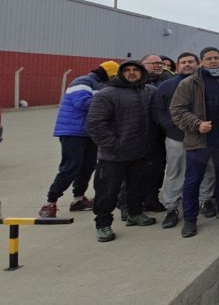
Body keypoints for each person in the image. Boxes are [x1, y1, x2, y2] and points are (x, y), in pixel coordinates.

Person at [170, 47, 219, 238]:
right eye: (208, 58)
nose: (213, 61)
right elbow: (177, 110)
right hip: (199, 139)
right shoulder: (190, 83)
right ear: (201, 62)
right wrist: (196, 124)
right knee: (193, 180)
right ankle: (190, 218)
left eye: (216, 57)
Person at [86, 61, 158, 242]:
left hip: (139, 152)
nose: (132, 73)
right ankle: (103, 224)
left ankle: (135, 213)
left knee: (137, 187)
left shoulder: (149, 91)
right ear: (120, 73)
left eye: (136, 70)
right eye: (128, 70)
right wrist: (113, 144)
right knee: (107, 191)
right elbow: (95, 124)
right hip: (113, 155)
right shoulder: (107, 94)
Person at [39, 60, 119, 218]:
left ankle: (78, 199)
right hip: (73, 131)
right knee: (71, 167)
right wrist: (109, 105)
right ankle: (50, 202)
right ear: (108, 74)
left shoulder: (101, 85)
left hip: (90, 132)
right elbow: (82, 103)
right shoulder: (82, 81)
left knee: (88, 166)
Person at [152, 53, 216, 229]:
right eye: (183, 62)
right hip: (177, 137)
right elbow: (159, 111)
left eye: (191, 62)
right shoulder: (166, 86)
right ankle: (171, 207)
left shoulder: (209, 84)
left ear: (198, 64)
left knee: (208, 170)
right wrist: (172, 128)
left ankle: (205, 200)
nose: (187, 65)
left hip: (205, 137)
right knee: (175, 172)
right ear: (178, 65)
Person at [141, 54, 173, 212]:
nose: (159, 65)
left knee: (157, 168)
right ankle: (128, 203)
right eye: (154, 63)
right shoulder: (135, 82)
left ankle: (151, 198)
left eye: (160, 63)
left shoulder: (168, 81)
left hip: (160, 132)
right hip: (137, 133)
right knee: (135, 170)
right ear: (143, 64)